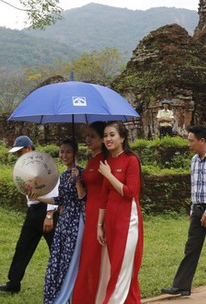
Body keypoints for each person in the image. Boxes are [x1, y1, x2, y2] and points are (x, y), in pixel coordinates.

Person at [162, 125, 206, 297]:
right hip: (198, 209)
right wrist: (193, 208)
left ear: (202, 141)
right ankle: (182, 286)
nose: (189, 144)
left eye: (191, 141)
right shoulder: (194, 161)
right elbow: (195, 188)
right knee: (191, 248)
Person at [0, 136, 58, 294]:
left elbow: (54, 189)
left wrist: (49, 215)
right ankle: (13, 283)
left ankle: (64, 284)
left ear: (29, 148)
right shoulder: (25, 166)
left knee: (56, 249)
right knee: (23, 247)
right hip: (33, 211)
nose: (19, 155)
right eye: (17, 153)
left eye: (20, 151)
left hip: (47, 210)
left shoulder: (43, 164)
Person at [31, 139, 85, 304]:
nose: (64, 155)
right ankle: (61, 296)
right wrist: (38, 197)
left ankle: (72, 296)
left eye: (68, 152)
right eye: (61, 151)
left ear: (75, 153)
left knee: (72, 259)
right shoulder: (63, 175)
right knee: (58, 259)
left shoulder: (82, 172)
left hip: (77, 221)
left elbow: (83, 198)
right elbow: (60, 199)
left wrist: (77, 180)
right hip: (64, 221)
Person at [97, 121, 144, 303]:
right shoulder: (107, 162)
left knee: (121, 267)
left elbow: (130, 192)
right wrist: (99, 225)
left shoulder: (131, 160)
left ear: (122, 137)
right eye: (105, 135)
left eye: (112, 135)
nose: (107, 139)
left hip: (128, 220)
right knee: (115, 265)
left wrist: (108, 174)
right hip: (111, 220)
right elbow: (103, 198)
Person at [73, 122, 109, 303]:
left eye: (92, 136)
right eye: (87, 136)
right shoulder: (91, 159)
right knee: (88, 255)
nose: (87, 139)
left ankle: (98, 295)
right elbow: (86, 190)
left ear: (103, 140)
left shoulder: (105, 160)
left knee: (96, 255)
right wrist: (78, 180)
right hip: (89, 209)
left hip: (101, 211)